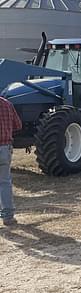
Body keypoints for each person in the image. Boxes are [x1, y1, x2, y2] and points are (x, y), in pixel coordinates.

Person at [0, 96, 21, 226]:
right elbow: (18, 125)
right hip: (5, 148)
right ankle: (8, 217)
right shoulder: (7, 104)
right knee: (4, 182)